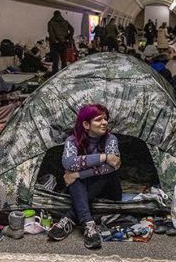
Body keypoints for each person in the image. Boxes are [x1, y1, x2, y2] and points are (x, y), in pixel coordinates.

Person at [48, 104, 121, 249]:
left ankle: (69, 218)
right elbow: (68, 163)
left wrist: (78, 173)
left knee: (84, 176)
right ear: (86, 124)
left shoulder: (110, 139)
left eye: (105, 119)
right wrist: (103, 157)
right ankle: (88, 224)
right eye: (99, 120)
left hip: (108, 189)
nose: (104, 122)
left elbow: (112, 166)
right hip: (82, 188)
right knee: (72, 178)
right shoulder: (72, 140)